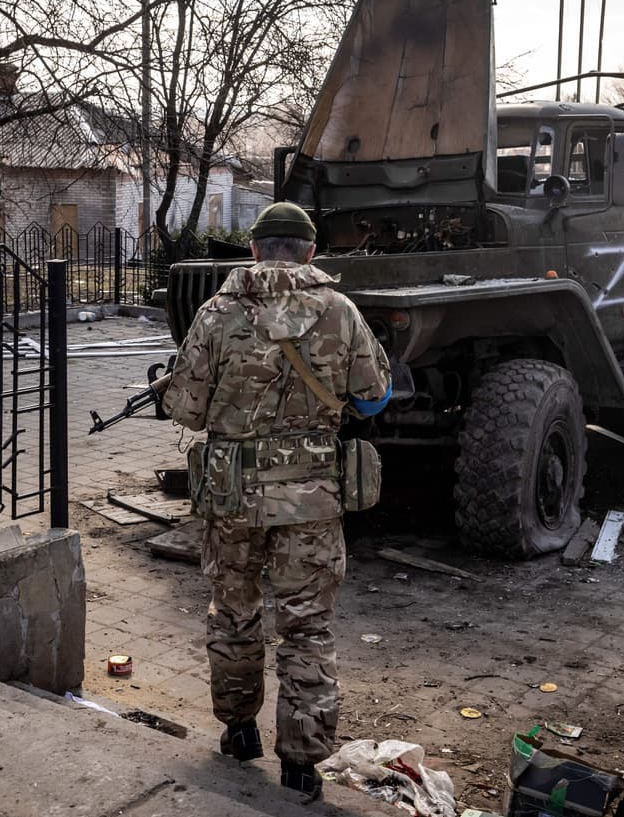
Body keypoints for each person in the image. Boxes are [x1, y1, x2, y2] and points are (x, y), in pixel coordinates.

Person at [162, 201, 392, 799]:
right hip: (311, 499)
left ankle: (239, 732)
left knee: (233, 611)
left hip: (231, 493)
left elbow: (184, 409)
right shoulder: (340, 311)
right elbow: (372, 399)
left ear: (255, 250)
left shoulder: (217, 314)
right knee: (308, 627)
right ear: (311, 253)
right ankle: (301, 764)